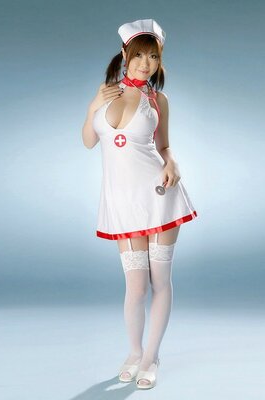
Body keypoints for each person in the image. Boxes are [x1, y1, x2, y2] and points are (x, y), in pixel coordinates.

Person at [81, 18, 198, 390]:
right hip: (122, 202)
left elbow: (164, 145)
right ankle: (134, 352)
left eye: (153, 56)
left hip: (159, 197)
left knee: (159, 281)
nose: (146, 63)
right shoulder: (107, 94)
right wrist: (92, 106)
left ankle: (151, 358)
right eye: (139, 55)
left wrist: (172, 162)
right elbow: (89, 141)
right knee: (135, 286)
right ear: (124, 55)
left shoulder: (158, 100)